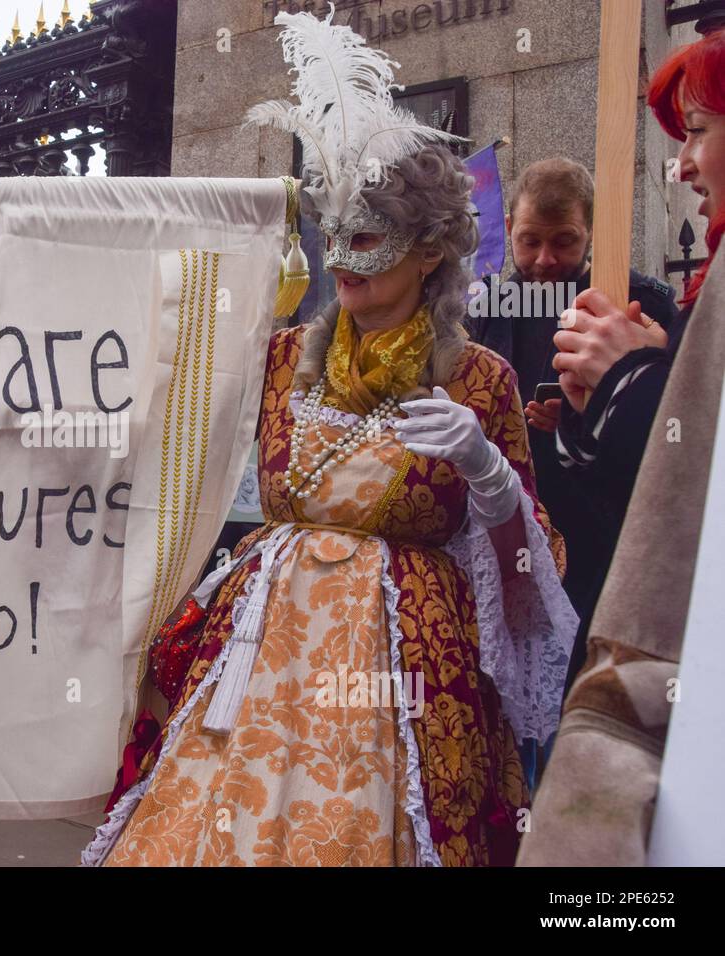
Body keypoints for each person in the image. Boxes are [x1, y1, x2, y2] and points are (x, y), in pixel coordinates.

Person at [82, 8, 577, 867]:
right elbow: (164, 388)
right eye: (334, 232)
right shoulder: (278, 362)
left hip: (402, 685)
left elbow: (534, 575)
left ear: (430, 252)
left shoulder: (481, 383)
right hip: (262, 662)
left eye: (369, 237)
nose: (343, 256)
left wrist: (487, 471)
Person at [520, 27, 724, 865]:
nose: (682, 162)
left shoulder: (648, 302)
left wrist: (628, 381)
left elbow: (686, 470)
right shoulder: (490, 307)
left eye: (703, 129)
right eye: (528, 242)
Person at [467, 160, 678, 695]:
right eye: (529, 241)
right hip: (506, 522)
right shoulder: (485, 307)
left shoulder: (637, 303)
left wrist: (590, 420)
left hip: (593, 533)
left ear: (591, 235)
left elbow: (668, 420)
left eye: (563, 242)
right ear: (510, 227)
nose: (544, 261)